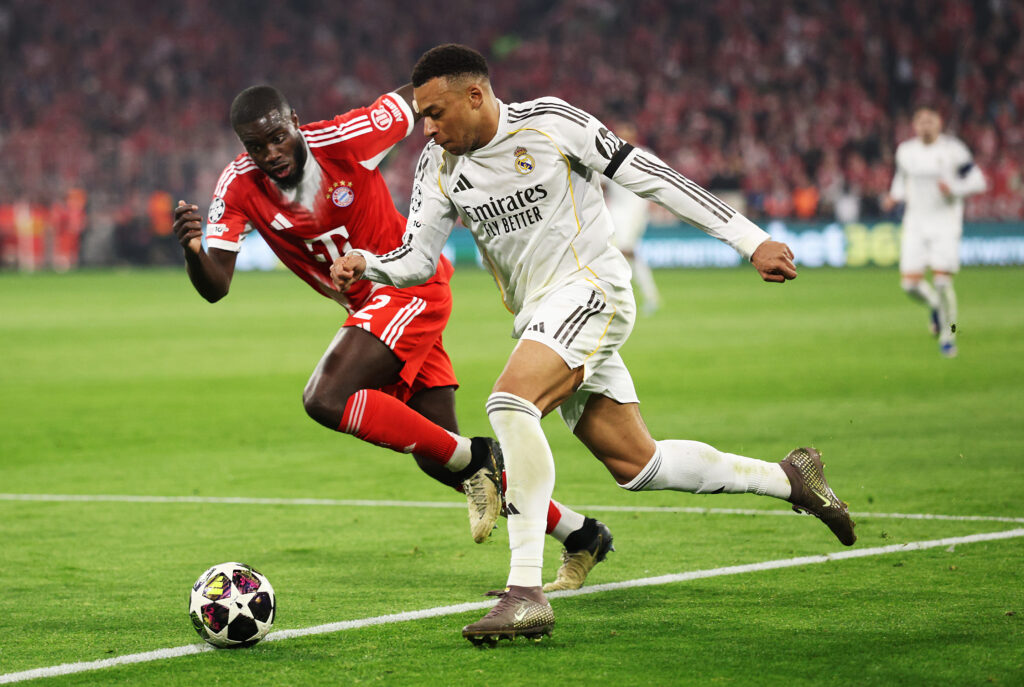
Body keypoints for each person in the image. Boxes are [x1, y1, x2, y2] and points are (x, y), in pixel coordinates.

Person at [331, 44, 857, 645]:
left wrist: (748, 238)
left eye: (435, 112)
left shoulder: (551, 123)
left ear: (475, 96)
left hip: (591, 290)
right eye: (422, 116)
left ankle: (524, 594)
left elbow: (652, 176)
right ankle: (790, 478)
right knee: (638, 465)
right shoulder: (438, 164)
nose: (427, 128)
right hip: (540, 316)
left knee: (510, 404)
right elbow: (418, 259)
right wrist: (369, 263)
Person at [172, 84, 611, 588]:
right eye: (256, 146)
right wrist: (192, 250)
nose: (270, 153)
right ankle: (581, 533)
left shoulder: (347, 139)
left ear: (294, 120)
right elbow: (216, 286)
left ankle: (477, 456)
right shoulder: (237, 186)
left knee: (325, 398)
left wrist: (468, 102)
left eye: (277, 137)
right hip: (373, 313)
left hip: (409, 289)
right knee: (438, 456)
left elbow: (416, 95)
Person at [882, 106, 987, 358]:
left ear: (939, 123)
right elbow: (901, 179)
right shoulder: (906, 151)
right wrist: (894, 196)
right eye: (920, 121)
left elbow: (978, 181)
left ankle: (949, 335)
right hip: (915, 224)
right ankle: (936, 307)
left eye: (930, 120)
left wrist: (954, 188)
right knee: (909, 285)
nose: (925, 125)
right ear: (914, 125)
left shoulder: (953, 150)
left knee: (942, 281)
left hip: (945, 224)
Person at [603, 123, 659, 315]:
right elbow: (601, 183)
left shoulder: (644, 154)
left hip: (635, 209)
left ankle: (623, 296)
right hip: (615, 210)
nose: (622, 138)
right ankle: (647, 295)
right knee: (621, 252)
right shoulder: (609, 155)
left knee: (624, 251)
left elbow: (658, 178)